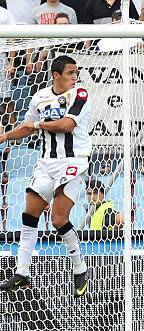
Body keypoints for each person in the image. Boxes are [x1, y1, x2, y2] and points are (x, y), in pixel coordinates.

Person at [0, 55, 91, 298]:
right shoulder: (39, 97)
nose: (75, 77)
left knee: (59, 219)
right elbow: (26, 126)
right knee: (29, 213)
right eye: (70, 73)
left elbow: (67, 126)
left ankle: (80, 268)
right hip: (45, 162)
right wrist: (5, 136)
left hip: (73, 161)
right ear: (56, 75)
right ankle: (22, 271)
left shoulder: (80, 94)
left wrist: (38, 126)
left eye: (76, 72)